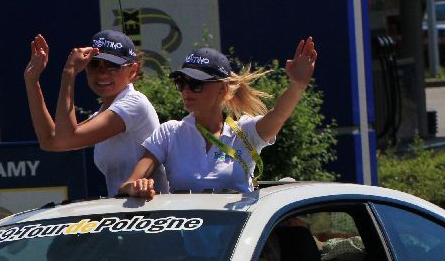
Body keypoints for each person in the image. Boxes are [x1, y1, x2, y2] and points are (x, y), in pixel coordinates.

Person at [118, 38, 317, 198]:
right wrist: (136, 187)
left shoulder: (244, 132)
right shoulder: (169, 132)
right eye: (181, 83)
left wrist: (298, 85)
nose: (186, 91)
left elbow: (278, 116)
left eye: (196, 84)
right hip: (186, 242)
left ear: (222, 89)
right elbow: (128, 184)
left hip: (239, 243)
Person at [24, 29, 167, 196]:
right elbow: (51, 142)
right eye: (94, 65)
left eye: (112, 66)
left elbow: (65, 138)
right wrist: (31, 80)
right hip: (127, 215)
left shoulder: (134, 104)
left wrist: (69, 72)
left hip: (152, 215)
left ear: (132, 70)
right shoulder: (104, 113)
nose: (102, 73)